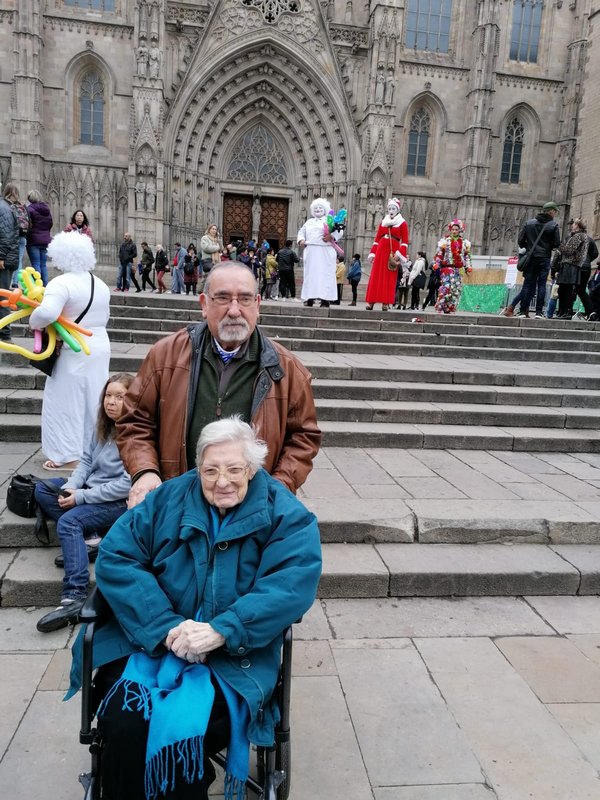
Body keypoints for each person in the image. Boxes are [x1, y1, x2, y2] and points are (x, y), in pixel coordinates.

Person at [67, 416, 321, 800]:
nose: (223, 481)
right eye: (210, 470)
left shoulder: (286, 515)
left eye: (235, 469)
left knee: (189, 728)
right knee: (123, 722)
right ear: (197, 467)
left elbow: (291, 583)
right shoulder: (168, 498)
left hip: (234, 654)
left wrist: (223, 629)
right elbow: (117, 556)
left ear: (252, 469)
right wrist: (165, 626)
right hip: (150, 642)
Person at [115, 262, 321, 508]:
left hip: (253, 508)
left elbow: (304, 436)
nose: (234, 310)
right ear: (204, 304)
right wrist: (145, 470)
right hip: (178, 501)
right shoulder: (165, 356)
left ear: (257, 305)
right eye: (222, 298)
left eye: (244, 299)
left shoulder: (287, 369)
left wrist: (277, 485)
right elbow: (135, 421)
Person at [35, 373, 134, 632]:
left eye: (119, 397)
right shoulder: (102, 426)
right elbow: (87, 462)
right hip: (91, 491)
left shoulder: (136, 434)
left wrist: (80, 497)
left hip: (118, 502)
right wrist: (71, 486)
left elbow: (127, 484)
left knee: (68, 522)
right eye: (108, 396)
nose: (111, 402)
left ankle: (75, 595)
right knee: (43, 489)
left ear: (132, 400)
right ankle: (91, 539)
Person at [29, 231, 111, 470]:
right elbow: (105, 316)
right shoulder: (101, 284)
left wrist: (34, 322)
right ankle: (93, 452)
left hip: (73, 347)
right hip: (98, 344)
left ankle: (68, 455)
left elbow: (46, 313)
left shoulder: (61, 283)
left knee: (66, 402)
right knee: (95, 401)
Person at [503, 202, 561, 318]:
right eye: (555, 211)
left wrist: (529, 246)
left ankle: (522, 311)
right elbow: (556, 244)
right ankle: (539, 312)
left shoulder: (529, 223)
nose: (555, 214)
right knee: (542, 285)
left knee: (528, 285)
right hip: (544, 258)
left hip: (531, 258)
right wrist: (547, 246)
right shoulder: (553, 225)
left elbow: (520, 241)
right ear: (551, 211)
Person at [365, 197, 409, 311]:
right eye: (389, 208)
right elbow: (376, 239)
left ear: (397, 209)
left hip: (393, 250)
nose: (391, 210)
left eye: (393, 208)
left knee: (389, 278)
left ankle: (385, 302)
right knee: (376, 276)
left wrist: (399, 254)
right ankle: (371, 302)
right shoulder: (383, 222)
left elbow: (404, 242)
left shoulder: (402, 223)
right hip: (381, 249)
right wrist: (373, 253)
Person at [297, 197, 341, 307]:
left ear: (325, 209)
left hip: (325, 251)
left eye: (320, 207)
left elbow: (340, 231)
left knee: (325, 275)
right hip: (311, 250)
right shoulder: (309, 222)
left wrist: (331, 235)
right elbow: (301, 231)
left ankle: (325, 299)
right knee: (310, 276)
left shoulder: (330, 220)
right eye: (315, 208)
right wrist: (301, 239)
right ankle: (309, 298)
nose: (318, 209)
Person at [433, 219, 472, 314]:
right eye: (453, 229)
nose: (454, 231)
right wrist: (437, 263)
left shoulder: (465, 243)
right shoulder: (444, 241)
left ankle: (450, 306)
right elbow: (439, 254)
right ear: (450, 230)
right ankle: (440, 304)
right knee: (446, 287)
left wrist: (468, 266)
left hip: (458, 269)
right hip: (447, 268)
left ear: (460, 230)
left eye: (456, 229)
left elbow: (467, 256)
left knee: (456, 289)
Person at [554, 218, 589, 319]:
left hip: (570, 265)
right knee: (563, 289)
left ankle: (565, 312)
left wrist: (558, 245)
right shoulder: (580, 236)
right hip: (571, 265)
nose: (572, 225)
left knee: (566, 289)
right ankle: (562, 312)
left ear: (578, 226)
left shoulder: (578, 236)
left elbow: (569, 251)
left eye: (574, 224)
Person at [0, 184, 20, 342]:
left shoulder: (4, 208)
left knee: (3, 295)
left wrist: (1, 257)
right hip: (7, 257)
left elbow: (6, 235)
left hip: (4, 259)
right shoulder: (7, 208)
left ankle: (5, 332)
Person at [3, 183, 29, 290]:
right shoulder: (22, 206)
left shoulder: (6, 206)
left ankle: (9, 283)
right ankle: (15, 283)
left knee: (8, 260)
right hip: (22, 236)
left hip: (11, 237)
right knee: (18, 259)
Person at [26, 190, 53, 286]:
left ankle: (38, 286)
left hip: (33, 241)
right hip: (45, 241)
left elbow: (27, 224)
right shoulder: (47, 209)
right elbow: (50, 224)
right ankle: (45, 286)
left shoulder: (29, 209)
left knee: (36, 264)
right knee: (43, 265)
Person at [200, 224, 221, 291]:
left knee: (213, 278)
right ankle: (203, 292)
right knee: (207, 277)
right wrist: (217, 247)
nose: (214, 230)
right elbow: (206, 248)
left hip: (216, 261)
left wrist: (219, 241)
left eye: (215, 229)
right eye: (212, 229)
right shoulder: (205, 238)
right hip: (208, 260)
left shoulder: (216, 240)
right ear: (209, 230)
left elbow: (222, 249)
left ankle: (208, 292)